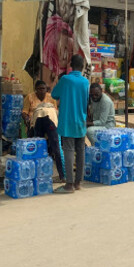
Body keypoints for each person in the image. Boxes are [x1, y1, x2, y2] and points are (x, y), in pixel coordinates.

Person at [51, 54, 89, 193]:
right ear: (83, 66)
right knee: (80, 151)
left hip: (67, 121)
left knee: (68, 151)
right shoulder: (85, 82)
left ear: (70, 65)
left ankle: (69, 184)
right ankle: (78, 182)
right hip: (81, 120)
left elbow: (54, 94)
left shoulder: (66, 79)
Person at [22, 80, 64, 182]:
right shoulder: (30, 97)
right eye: (39, 89)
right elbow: (24, 112)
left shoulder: (51, 97)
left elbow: (55, 111)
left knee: (56, 148)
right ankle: (36, 174)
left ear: (46, 89)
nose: (42, 91)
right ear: (35, 89)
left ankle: (62, 175)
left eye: (43, 89)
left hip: (50, 122)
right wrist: (27, 119)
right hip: (35, 123)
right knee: (37, 147)